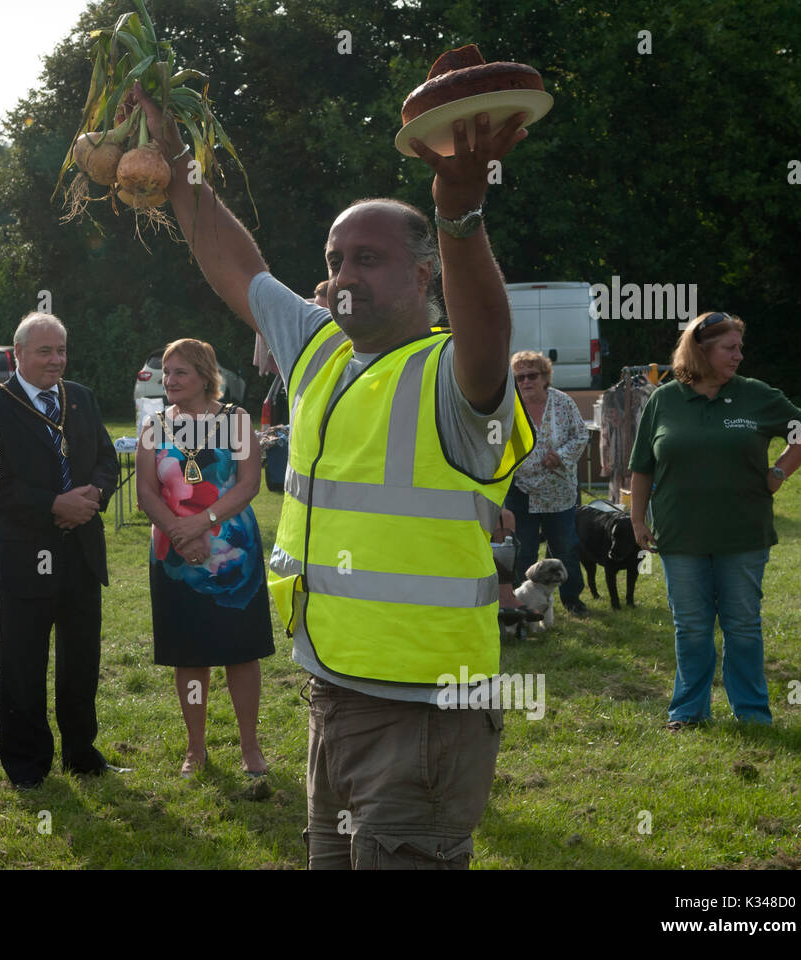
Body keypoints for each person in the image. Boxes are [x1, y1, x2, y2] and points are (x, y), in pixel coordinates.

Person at [130, 85, 534, 869]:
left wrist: (459, 214)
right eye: (335, 259)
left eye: (369, 260)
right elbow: (233, 265)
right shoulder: (318, 349)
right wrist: (172, 162)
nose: (345, 274)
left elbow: (489, 337)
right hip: (331, 688)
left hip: (427, 709)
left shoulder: (454, 378)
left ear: (424, 277)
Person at [630, 311, 801, 729]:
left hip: (743, 533)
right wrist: (637, 520)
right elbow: (642, 466)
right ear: (701, 350)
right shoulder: (665, 398)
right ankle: (688, 712)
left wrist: (779, 473)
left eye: (739, 347)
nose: (739, 355)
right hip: (680, 536)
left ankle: (752, 713)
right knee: (692, 627)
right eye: (729, 348)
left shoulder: (756, 395)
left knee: (743, 627)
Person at [0, 312, 121, 790]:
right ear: (17, 354)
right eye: (45, 351)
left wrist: (92, 498)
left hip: (81, 551)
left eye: (61, 350)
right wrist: (52, 505)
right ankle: (26, 762)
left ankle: (82, 752)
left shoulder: (80, 398)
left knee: (81, 659)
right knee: (23, 661)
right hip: (26, 556)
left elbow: (106, 459)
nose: (56, 360)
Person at [136, 338, 273, 778]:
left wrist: (202, 523)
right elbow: (145, 494)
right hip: (174, 557)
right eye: (167, 373)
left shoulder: (235, 420)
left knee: (240, 650)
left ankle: (249, 747)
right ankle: (196, 749)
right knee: (190, 653)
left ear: (204, 375)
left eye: (180, 373)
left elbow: (249, 484)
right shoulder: (154, 425)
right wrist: (180, 532)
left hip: (233, 552)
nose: (169, 380)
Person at [505, 350, 589, 616]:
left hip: (560, 491)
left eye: (532, 375)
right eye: (520, 377)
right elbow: (495, 446)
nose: (526, 381)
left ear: (545, 377)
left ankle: (572, 600)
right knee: (524, 550)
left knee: (565, 546)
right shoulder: (507, 408)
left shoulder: (563, 402)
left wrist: (561, 456)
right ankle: (524, 603)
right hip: (521, 491)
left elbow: (581, 435)